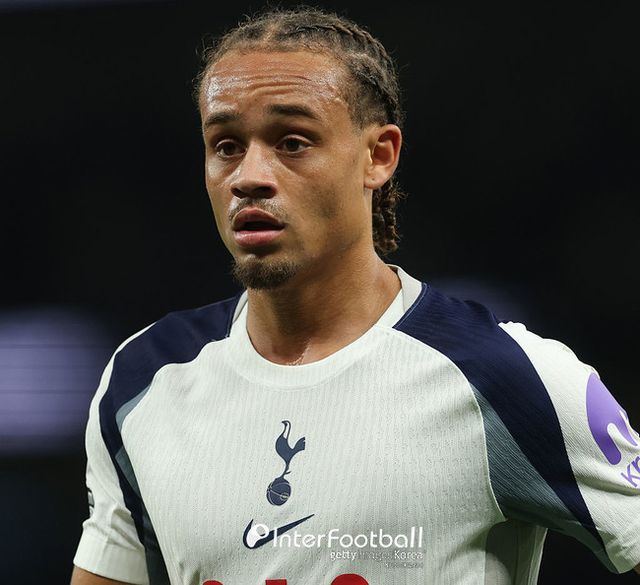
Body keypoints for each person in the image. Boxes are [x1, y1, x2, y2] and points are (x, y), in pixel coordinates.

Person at [70, 6, 640, 585]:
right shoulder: (144, 378)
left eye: (293, 142)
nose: (249, 176)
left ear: (378, 156)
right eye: (226, 145)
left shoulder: (504, 376)